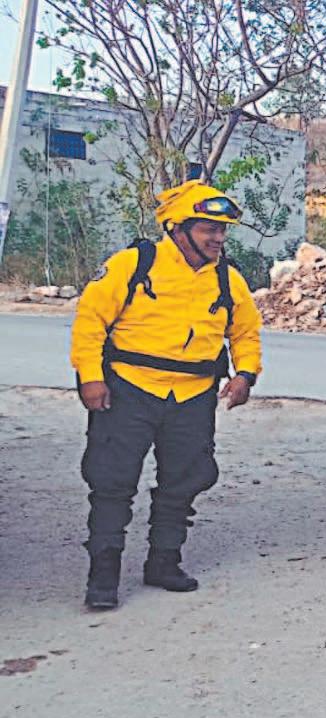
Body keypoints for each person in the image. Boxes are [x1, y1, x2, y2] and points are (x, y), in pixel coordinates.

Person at [70, 180, 263, 610]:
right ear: (178, 228)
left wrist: (246, 374)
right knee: (112, 482)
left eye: (222, 230)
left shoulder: (228, 279)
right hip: (128, 390)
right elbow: (90, 321)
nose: (218, 237)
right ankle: (103, 576)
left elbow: (245, 332)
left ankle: (164, 562)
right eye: (208, 228)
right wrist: (90, 377)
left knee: (183, 481)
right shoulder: (133, 264)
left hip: (193, 397)